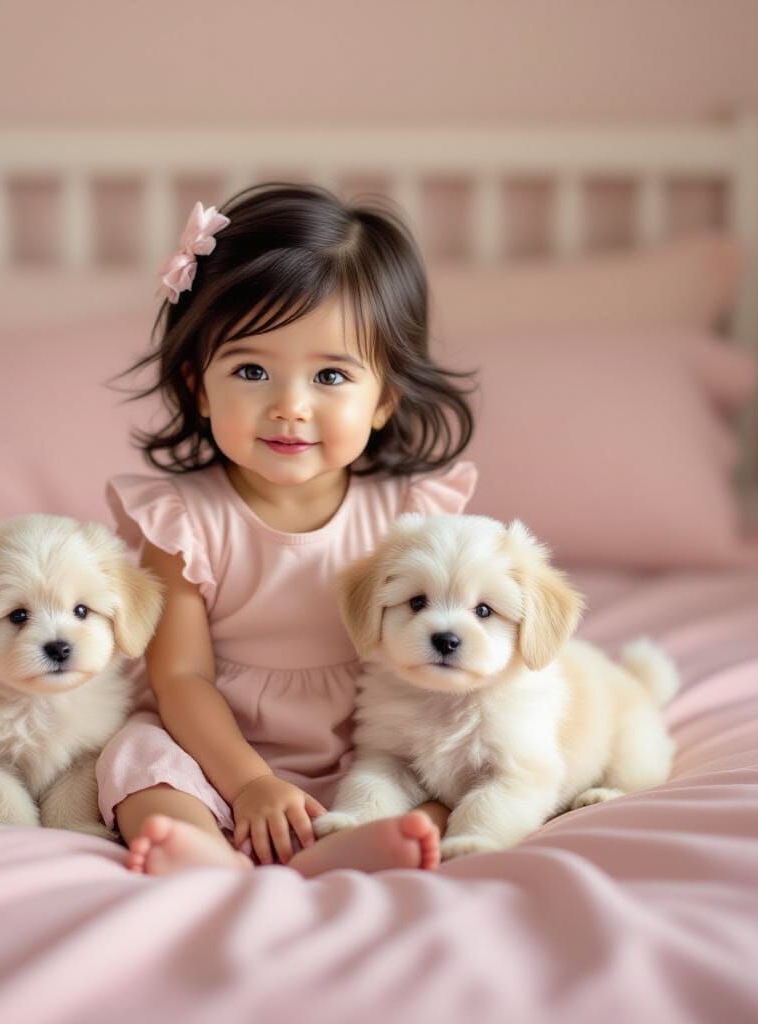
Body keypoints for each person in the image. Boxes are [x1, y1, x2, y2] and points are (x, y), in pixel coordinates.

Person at [97, 184, 477, 877]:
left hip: (370, 742)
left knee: (448, 773)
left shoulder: (410, 517)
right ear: (199, 386)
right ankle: (197, 845)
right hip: (212, 740)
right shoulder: (184, 522)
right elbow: (179, 675)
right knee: (137, 762)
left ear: (385, 397)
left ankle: (368, 838)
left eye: (331, 374)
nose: (290, 407)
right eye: (251, 370)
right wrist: (247, 784)